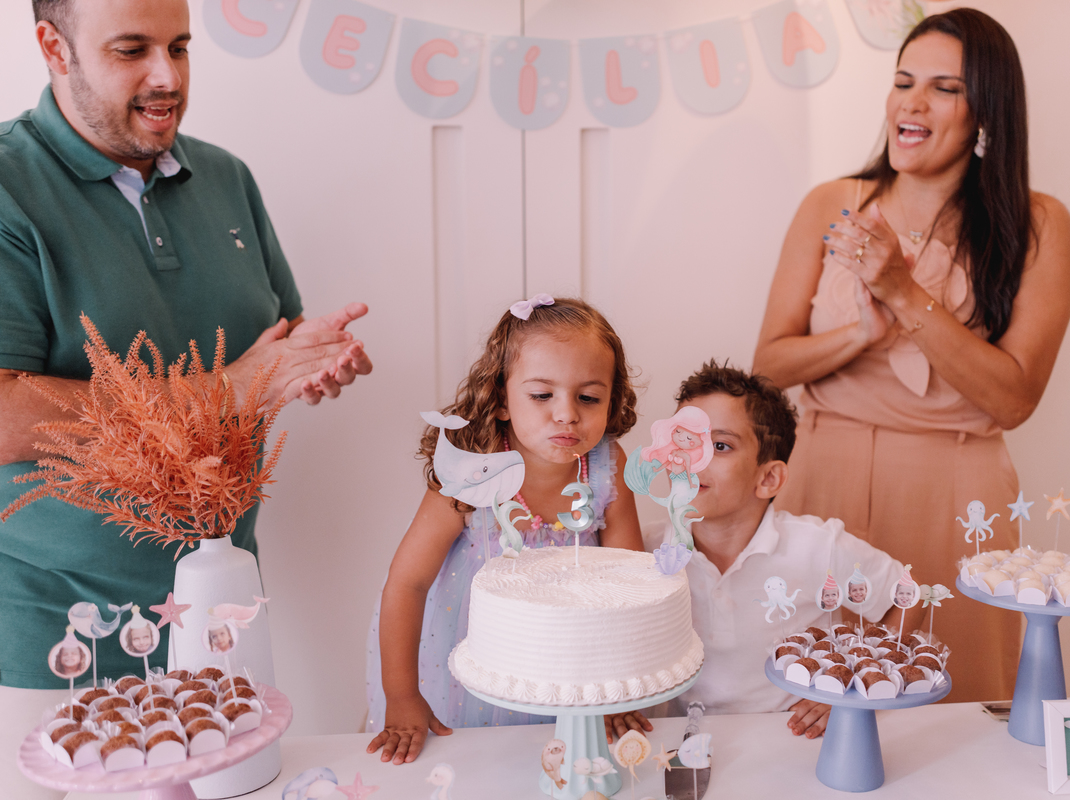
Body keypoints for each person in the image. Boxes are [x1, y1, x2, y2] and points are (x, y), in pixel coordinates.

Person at [0, 2, 371, 794]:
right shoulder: (7, 188)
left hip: (225, 620)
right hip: (64, 642)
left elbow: (274, 339)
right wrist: (227, 388)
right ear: (51, 47)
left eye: (179, 46)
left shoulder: (227, 177)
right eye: (132, 50)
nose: (167, 78)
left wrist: (310, 360)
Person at [753, 8, 1070, 703]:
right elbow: (769, 367)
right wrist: (858, 336)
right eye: (903, 81)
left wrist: (902, 291)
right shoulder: (831, 204)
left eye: (944, 88)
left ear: (987, 110)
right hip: (823, 480)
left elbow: (1014, 399)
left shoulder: (1037, 223)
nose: (913, 102)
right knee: (812, 691)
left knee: (952, 701)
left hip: (957, 490)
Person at [365, 297, 644, 765]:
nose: (567, 414)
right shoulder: (471, 472)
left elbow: (628, 582)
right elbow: (407, 583)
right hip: (468, 662)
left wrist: (622, 689)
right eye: (542, 395)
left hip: (569, 669)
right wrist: (402, 695)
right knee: (477, 771)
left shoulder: (607, 467)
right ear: (499, 399)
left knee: (553, 767)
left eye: (588, 397)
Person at [641, 362, 916, 739]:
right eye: (684, 442)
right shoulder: (647, 550)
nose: (694, 460)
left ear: (768, 478)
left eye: (720, 446)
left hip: (793, 737)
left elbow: (910, 597)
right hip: (683, 737)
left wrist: (853, 679)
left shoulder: (817, 546)